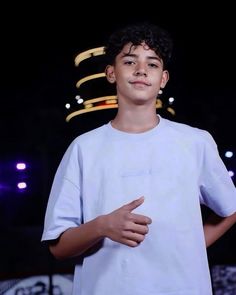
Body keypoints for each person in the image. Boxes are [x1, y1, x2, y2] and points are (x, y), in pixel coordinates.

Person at [41, 22, 236, 295]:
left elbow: (231, 208)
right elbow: (58, 247)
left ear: (163, 79)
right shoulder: (83, 148)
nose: (141, 70)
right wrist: (102, 226)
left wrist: (191, 247)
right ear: (111, 73)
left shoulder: (195, 141)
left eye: (152, 64)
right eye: (130, 61)